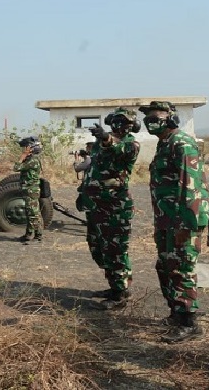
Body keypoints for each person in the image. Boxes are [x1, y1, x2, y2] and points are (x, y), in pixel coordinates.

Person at [140, 100, 209, 342]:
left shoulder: (181, 143)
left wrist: (186, 226)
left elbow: (191, 188)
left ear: (171, 118)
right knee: (166, 266)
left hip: (181, 222)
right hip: (166, 220)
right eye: (147, 118)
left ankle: (189, 322)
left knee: (182, 268)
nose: (150, 122)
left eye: (156, 116)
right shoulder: (164, 144)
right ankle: (176, 313)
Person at [81, 108, 140, 308]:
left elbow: (121, 150)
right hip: (96, 204)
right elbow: (93, 169)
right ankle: (116, 284)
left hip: (115, 206)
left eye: (124, 121)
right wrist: (84, 193)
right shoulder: (98, 145)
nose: (119, 124)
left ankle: (120, 294)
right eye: (116, 120)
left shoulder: (131, 144)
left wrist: (107, 139)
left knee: (115, 249)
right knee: (98, 247)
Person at [14, 136, 43, 244]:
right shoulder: (31, 159)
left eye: (26, 147)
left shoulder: (33, 160)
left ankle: (37, 236)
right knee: (30, 212)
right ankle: (29, 234)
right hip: (29, 189)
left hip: (31, 189)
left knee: (33, 213)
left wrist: (22, 157)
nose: (24, 149)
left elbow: (16, 167)